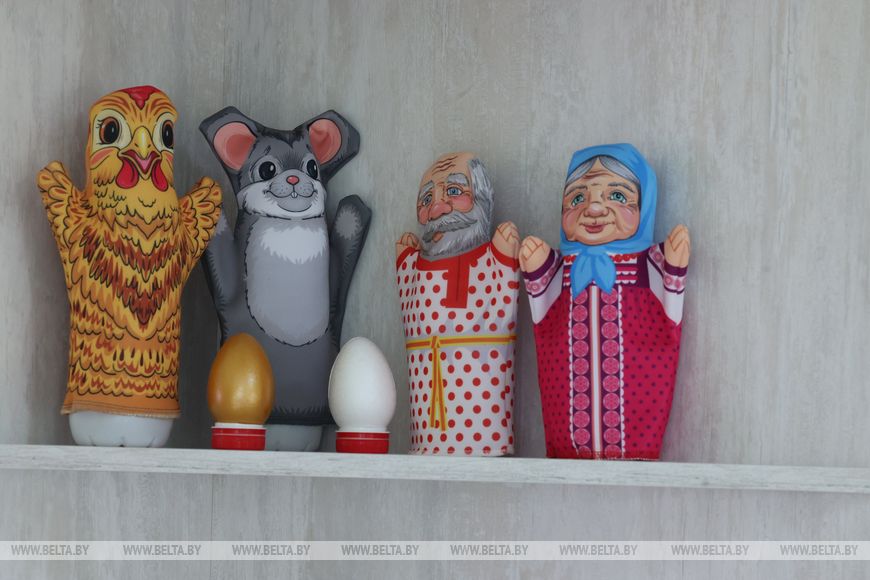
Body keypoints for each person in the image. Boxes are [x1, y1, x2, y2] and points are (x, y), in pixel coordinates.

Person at [520, 144, 690, 459]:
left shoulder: (645, 264)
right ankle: (565, 447)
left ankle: (637, 448)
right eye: (577, 198)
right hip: (565, 422)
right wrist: (540, 263)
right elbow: (544, 313)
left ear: (645, 206)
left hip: (639, 410)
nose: (594, 208)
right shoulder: (564, 268)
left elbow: (670, 304)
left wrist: (673, 260)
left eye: (617, 196)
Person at [396, 152, 520, 456]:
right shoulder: (413, 267)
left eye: (454, 191)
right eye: (426, 199)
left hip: (487, 438)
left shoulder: (494, 259)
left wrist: (505, 256)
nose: (437, 208)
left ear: (484, 199)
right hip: (426, 436)